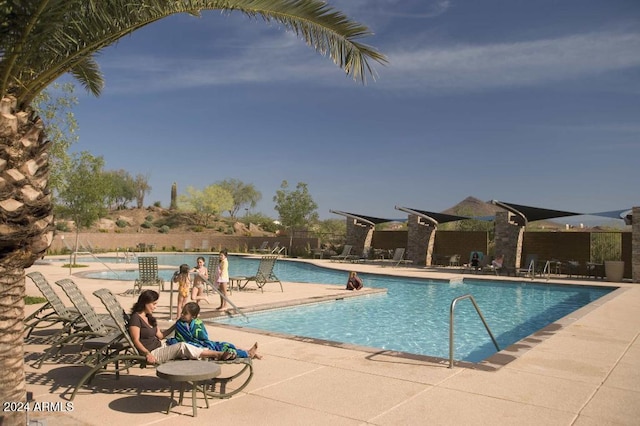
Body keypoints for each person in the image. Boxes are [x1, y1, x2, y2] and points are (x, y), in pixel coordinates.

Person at [128, 290, 225, 364]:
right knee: (182, 346)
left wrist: (175, 325)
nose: (155, 307)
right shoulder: (136, 318)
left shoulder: (149, 317)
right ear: (145, 303)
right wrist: (147, 354)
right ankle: (216, 354)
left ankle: (211, 352)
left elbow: (161, 336)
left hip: (160, 345)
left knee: (187, 343)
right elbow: (136, 340)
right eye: (154, 304)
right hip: (152, 352)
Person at [168, 302, 261, 360]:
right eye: (182, 312)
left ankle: (248, 352)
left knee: (224, 345)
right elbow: (179, 338)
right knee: (220, 349)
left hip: (203, 344)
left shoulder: (198, 324)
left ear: (193, 316)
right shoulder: (179, 323)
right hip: (191, 346)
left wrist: (203, 343)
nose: (182, 314)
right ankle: (247, 353)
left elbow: (204, 337)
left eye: (185, 313)